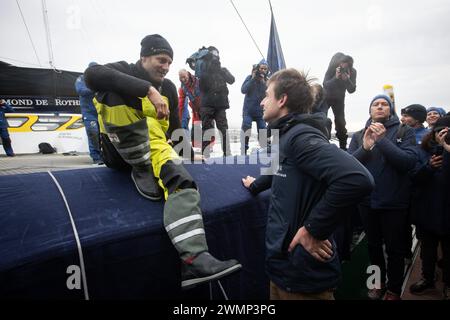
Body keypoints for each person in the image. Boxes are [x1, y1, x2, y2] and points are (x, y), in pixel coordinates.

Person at [84, 34, 241, 289]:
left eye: (169, 62)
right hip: (119, 150)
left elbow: (176, 130)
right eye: (161, 59)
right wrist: (147, 90)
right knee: (109, 90)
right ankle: (141, 165)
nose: (166, 67)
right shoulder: (123, 70)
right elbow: (91, 76)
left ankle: (194, 260)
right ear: (144, 57)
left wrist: (189, 154)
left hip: (156, 148)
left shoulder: (168, 87)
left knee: (183, 182)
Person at [242, 68, 374, 300]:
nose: (261, 102)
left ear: (282, 100)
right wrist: (255, 186)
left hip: (303, 276)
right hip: (282, 269)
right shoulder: (287, 136)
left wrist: (313, 229)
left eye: (266, 95)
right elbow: (279, 169)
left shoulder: (301, 137)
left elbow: (357, 179)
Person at [348, 94, 417, 300]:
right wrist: (366, 147)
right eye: (375, 104)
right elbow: (349, 165)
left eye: (384, 104)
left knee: (394, 249)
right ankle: (377, 283)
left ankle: (394, 289)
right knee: (373, 246)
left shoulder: (405, 132)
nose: (379, 107)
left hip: (394, 202)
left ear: (391, 110)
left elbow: (407, 162)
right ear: (369, 111)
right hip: (367, 202)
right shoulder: (359, 135)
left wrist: (382, 141)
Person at [409, 116, 450, 300]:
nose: (443, 135)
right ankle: (427, 278)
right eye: (439, 131)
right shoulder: (422, 151)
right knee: (427, 249)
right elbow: (413, 177)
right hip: (427, 209)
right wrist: (429, 167)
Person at [198, 46, 235, 157]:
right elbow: (202, 87)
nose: (215, 58)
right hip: (207, 105)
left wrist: (220, 70)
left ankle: (227, 154)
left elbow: (232, 80)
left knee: (223, 129)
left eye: (216, 55)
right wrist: (206, 70)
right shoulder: (203, 72)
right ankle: (205, 155)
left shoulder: (222, 70)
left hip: (220, 105)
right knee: (207, 130)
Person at [323, 52, 357, 150]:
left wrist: (347, 80)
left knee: (341, 123)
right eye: (341, 65)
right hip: (326, 96)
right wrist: (336, 78)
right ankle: (323, 143)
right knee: (322, 119)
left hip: (339, 98)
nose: (342, 67)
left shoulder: (353, 72)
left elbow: (352, 90)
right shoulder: (332, 68)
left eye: (345, 66)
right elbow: (325, 84)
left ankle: (343, 147)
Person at [75, 62, 103, 164]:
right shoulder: (81, 78)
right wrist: (96, 89)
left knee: (105, 136)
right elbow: (80, 90)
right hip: (89, 114)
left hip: (102, 112)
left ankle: (106, 156)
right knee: (93, 134)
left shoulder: (101, 80)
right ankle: (96, 157)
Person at [240, 60, 269, 155]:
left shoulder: (267, 80)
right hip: (248, 110)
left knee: (263, 129)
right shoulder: (250, 78)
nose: (263, 70)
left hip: (260, 112)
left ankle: (264, 150)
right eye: (261, 68)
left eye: (265, 69)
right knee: (246, 127)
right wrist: (253, 79)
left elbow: (269, 94)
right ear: (257, 69)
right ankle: (243, 151)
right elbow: (243, 90)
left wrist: (264, 81)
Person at [178, 69, 201, 147]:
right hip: (195, 110)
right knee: (195, 128)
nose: (183, 79)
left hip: (206, 107)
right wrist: (179, 117)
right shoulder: (182, 88)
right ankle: (197, 147)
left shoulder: (198, 80)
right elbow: (181, 103)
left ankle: (210, 146)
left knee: (207, 126)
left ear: (188, 74)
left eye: (184, 77)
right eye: (181, 78)